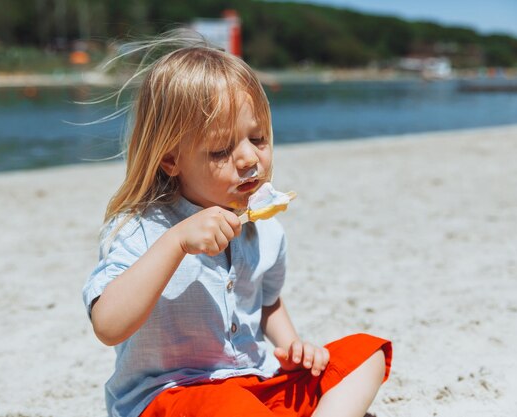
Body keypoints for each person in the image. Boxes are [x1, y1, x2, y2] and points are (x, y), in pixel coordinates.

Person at [83, 31, 392, 417]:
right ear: (170, 160)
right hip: (173, 395)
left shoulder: (266, 229)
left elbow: (267, 303)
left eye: (258, 138)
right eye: (221, 149)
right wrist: (176, 242)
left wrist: (292, 347)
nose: (248, 158)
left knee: (366, 352)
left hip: (254, 382)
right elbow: (108, 326)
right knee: (228, 405)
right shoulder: (140, 227)